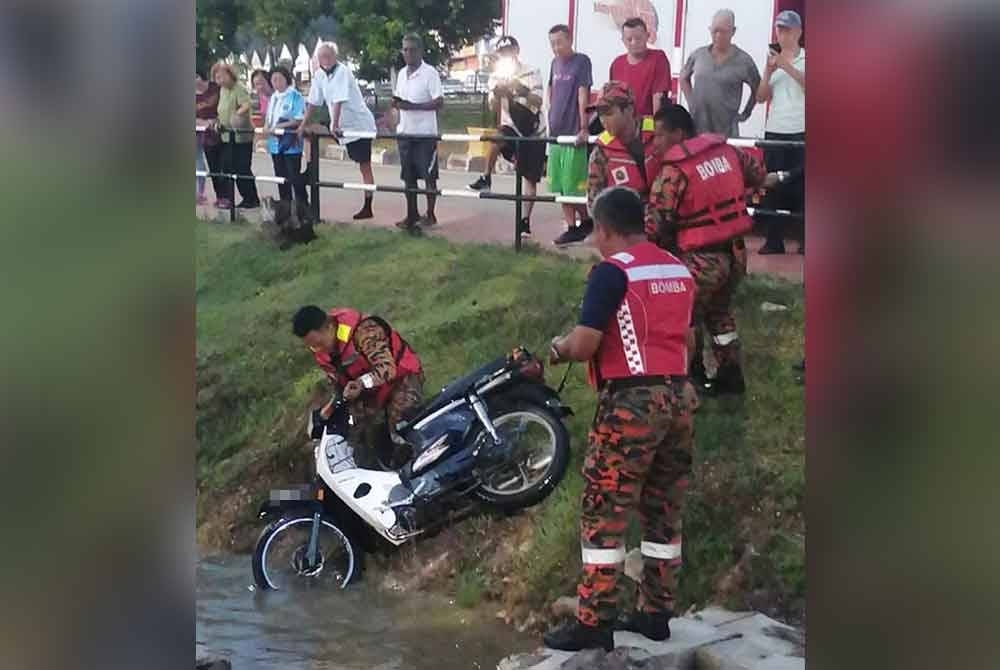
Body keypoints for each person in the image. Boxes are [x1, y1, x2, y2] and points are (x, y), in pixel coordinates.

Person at [542, 187, 696, 652]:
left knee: (603, 511)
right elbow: (688, 337)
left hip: (632, 402)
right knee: (663, 510)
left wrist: (558, 349)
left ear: (604, 228)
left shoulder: (612, 273)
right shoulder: (677, 268)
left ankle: (594, 620)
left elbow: (586, 344)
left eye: (595, 232)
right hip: (679, 396)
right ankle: (656, 613)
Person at [647, 103, 768, 395]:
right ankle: (730, 376)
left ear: (678, 133)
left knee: (684, 316)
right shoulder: (728, 151)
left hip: (700, 258)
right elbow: (758, 173)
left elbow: (655, 222)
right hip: (735, 253)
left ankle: (691, 377)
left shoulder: (674, 171)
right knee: (720, 314)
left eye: (660, 135)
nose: (656, 143)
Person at [292, 305, 425, 467]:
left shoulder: (364, 332)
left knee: (400, 430)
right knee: (361, 443)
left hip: (401, 379)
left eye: (318, 343)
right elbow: (339, 385)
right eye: (312, 346)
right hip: (370, 393)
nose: (318, 349)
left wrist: (362, 383)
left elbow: (387, 369)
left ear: (328, 327)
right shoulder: (322, 351)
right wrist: (329, 410)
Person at [467, 35, 546, 239]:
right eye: (502, 53)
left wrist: (520, 90)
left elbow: (538, 101)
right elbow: (493, 107)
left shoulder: (531, 71)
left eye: (509, 51)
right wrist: (497, 92)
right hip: (511, 125)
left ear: (517, 50)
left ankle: (525, 221)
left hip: (533, 128)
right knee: (496, 138)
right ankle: (486, 176)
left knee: (529, 178)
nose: (506, 56)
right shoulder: (496, 76)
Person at [299, 43, 378, 220]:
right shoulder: (319, 75)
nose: (324, 61)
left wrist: (334, 125)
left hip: (357, 125)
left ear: (335, 57)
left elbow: (339, 100)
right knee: (310, 133)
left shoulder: (343, 71)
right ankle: (311, 169)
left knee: (364, 166)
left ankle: (368, 205)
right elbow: (313, 102)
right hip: (340, 124)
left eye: (328, 56)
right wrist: (303, 124)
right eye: (321, 58)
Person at [585, 81, 662, 244]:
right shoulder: (601, 153)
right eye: (600, 114)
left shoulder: (659, 134)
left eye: (608, 113)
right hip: (628, 232)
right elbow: (594, 202)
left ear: (629, 109)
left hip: (664, 225)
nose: (603, 120)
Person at [756, 10, 805, 255]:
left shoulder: (808, 58)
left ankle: (805, 241)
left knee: (802, 184)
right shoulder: (772, 62)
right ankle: (773, 239)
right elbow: (760, 97)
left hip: (800, 129)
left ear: (798, 32)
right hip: (775, 129)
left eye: (786, 30)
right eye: (779, 30)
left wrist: (785, 65)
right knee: (771, 185)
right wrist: (767, 71)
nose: (782, 35)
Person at [546, 24, 595, 247]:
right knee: (559, 184)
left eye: (559, 42)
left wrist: (584, 126)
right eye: (552, 43)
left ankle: (584, 221)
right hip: (556, 132)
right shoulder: (554, 63)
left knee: (573, 184)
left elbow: (582, 93)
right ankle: (573, 226)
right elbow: (550, 91)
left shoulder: (581, 61)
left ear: (569, 40)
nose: (556, 47)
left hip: (573, 131)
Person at [679, 9, 762, 137]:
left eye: (723, 32)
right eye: (714, 31)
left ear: (733, 31)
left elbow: (758, 89)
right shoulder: (698, 55)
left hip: (726, 133)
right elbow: (683, 78)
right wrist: (691, 102)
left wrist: (746, 113)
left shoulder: (744, 60)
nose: (718, 35)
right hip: (697, 131)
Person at [391, 33, 444, 232]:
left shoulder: (430, 73)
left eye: (412, 49)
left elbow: (439, 102)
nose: (408, 53)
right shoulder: (401, 73)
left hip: (425, 135)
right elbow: (399, 101)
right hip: (405, 133)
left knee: (429, 177)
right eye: (404, 49)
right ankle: (411, 215)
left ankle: (430, 214)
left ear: (420, 51)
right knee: (408, 177)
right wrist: (395, 109)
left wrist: (413, 107)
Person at [212, 62, 260, 210]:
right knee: (227, 166)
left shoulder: (239, 88)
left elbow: (246, 105)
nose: (219, 80)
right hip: (226, 135)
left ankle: (251, 198)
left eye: (221, 76)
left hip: (242, 136)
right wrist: (218, 122)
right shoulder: (222, 90)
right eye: (216, 77)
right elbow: (220, 110)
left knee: (242, 167)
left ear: (229, 74)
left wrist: (237, 114)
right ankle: (231, 199)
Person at [263, 66, 309, 207]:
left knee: (293, 176)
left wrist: (280, 127)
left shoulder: (295, 96)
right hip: (275, 144)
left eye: (279, 79)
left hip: (290, 143)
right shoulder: (274, 97)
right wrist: (267, 127)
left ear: (286, 79)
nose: (276, 82)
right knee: (280, 176)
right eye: (273, 79)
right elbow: (269, 118)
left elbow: (299, 119)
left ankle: (302, 205)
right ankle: (285, 205)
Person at [608, 16, 672, 117]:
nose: (634, 43)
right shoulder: (616, 64)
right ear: (623, 40)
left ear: (647, 36)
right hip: (624, 125)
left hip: (649, 124)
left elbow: (658, 96)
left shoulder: (658, 58)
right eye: (629, 39)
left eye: (638, 38)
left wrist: (658, 128)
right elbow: (613, 99)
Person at [195, 70, 221, 205]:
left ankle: (222, 196)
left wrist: (215, 120)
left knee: (216, 162)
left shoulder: (215, 87)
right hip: (197, 129)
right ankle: (198, 193)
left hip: (215, 131)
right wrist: (202, 122)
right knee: (197, 160)